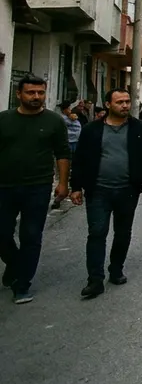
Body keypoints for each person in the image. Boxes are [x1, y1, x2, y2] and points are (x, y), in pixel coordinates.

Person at [69, 88, 142, 299]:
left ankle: (116, 269)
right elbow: (80, 160)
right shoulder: (92, 130)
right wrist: (75, 187)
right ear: (108, 104)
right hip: (98, 190)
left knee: (122, 232)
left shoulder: (140, 128)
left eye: (127, 101)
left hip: (127, 190)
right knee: (97, 233)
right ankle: (95, 280)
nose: (125, 106)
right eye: (119, 102)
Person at [0, 76, 71, 304]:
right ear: (18, 94)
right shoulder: (4, 120)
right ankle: (14, 264)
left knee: (31, 236)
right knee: (1, 233)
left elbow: (62, 153)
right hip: (4, 186)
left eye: (40, 92)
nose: (36, 97)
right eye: (31, 92)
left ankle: (22, 284)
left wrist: (63, 183)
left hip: (38, 187)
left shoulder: (54, 121)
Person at [55, 102, 83, 210]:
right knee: (63, 169)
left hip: (74, 144)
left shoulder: (72, 118)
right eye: (68, 109)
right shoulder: (61, 119)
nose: (70, 111)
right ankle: (58, 195)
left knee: (69, 168)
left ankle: (60, 193)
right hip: (65, 146)